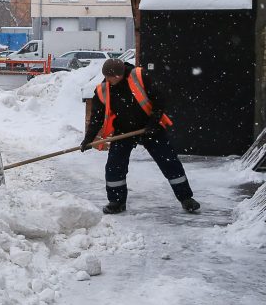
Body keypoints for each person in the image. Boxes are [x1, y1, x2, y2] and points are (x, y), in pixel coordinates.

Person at [80, 58, 200, 215]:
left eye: (110, 78)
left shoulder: (139, 76)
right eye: (106, 77)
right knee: (114, 165)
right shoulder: (103, 89)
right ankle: (116, 202)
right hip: (123, 131)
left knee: (169, 161)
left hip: (150, 128)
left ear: (118, 75)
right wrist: (88, 138)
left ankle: (186, 199)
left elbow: (159, 100)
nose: (107, 81)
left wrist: (153, 122)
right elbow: (96, 117)